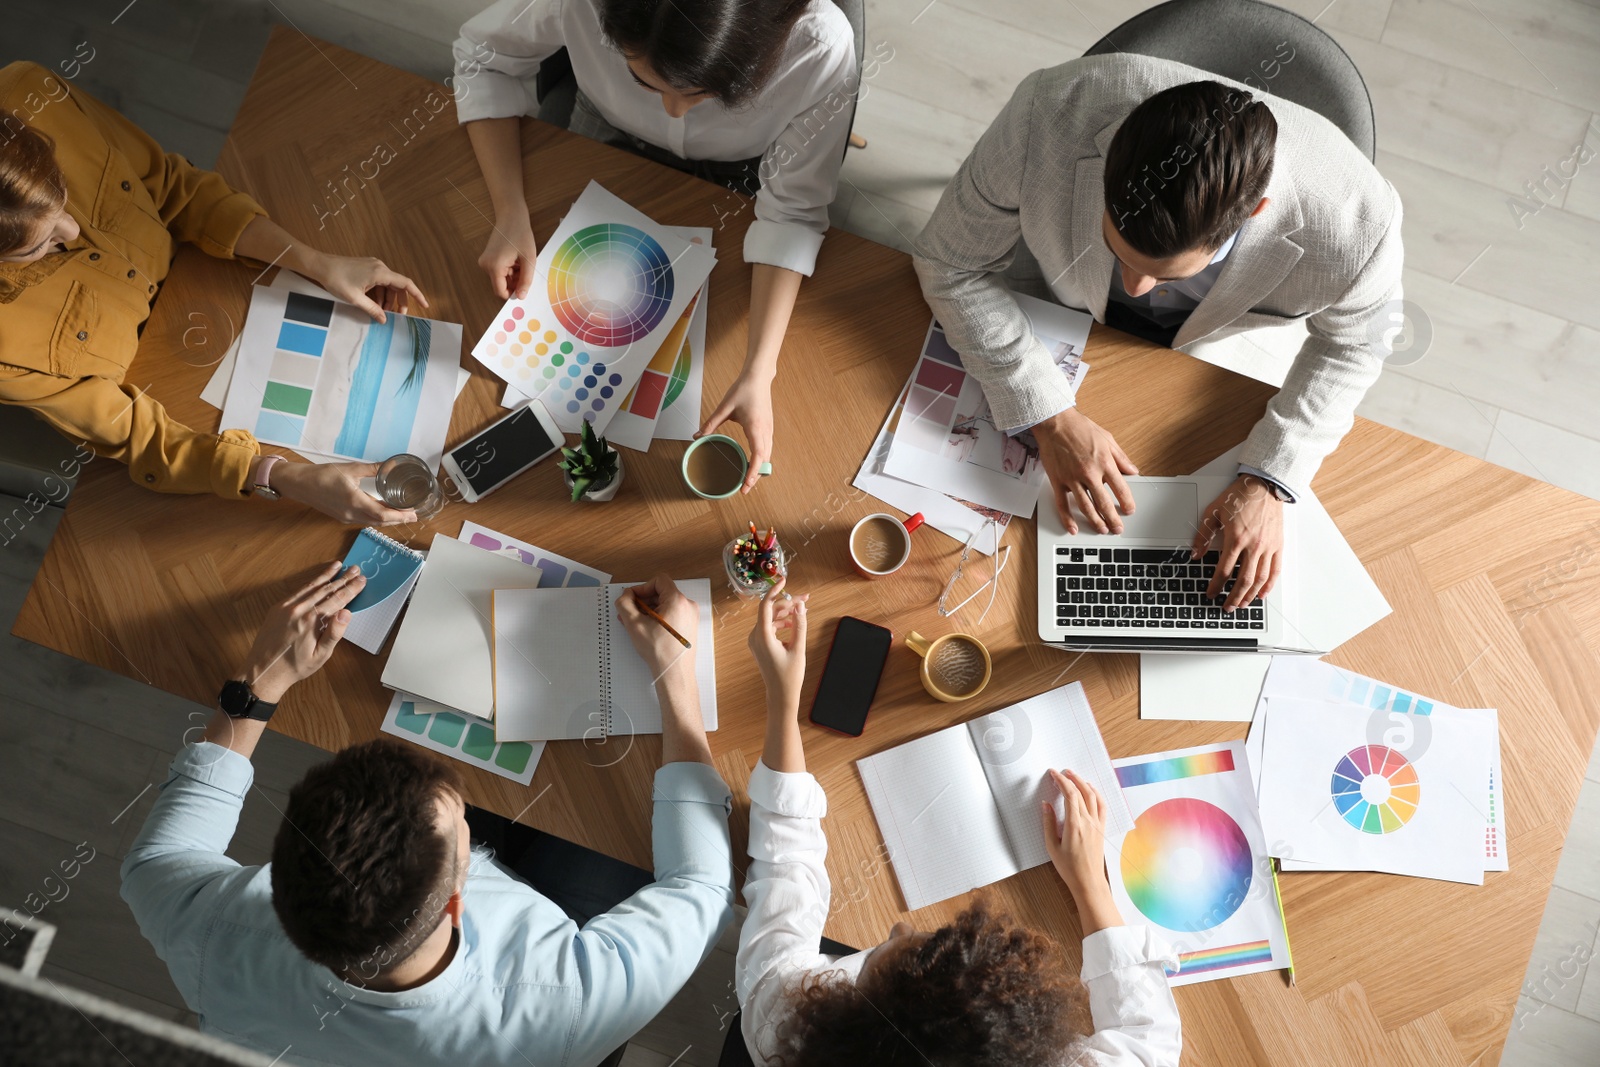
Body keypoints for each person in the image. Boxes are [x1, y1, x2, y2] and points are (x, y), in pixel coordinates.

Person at [120, 565, 735, 1067]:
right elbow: (701, 885)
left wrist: (259, 685)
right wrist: (673, 672)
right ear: (461, 892)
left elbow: (159, 860)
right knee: (606, 829)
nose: (462, 810)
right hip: (550, 991)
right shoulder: (567, 1005)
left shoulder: (212, 938)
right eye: (459, 822)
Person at [915, 57, 1404, 612]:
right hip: (1054, 301)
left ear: (1255, 215)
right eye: (1118, 250)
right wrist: (1049, 413)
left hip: (1209, 349)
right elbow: (947, 262)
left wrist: (1270, 480)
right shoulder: (1044, 113)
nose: (1136, 287)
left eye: (1165, 273)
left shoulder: (1360, 224)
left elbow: (1358, 344)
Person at [734, 578, 1182, 1065]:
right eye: (928, 940)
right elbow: (1148, 1044)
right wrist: (1092, 886)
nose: (900, 928)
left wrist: (781, 699)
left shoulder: (783, 1027)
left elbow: (785, 864)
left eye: (881, 964)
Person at [453, 0, 862, 491]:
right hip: (605, 132)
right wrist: (508, 212)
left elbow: (792, 211)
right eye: (644, 81)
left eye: (705, 94)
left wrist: (759, 370)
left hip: (745, 169)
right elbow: (482, 53)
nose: (672, 110)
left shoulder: (816, 45)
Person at [0, 61, 427, 525]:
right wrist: (283, 477)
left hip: (215, 280)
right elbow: (138, 437)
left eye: (62, 196)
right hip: (170, 400)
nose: (73, 228)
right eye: (41, 246)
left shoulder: (33, 95)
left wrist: (313, 262)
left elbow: (174, 189)